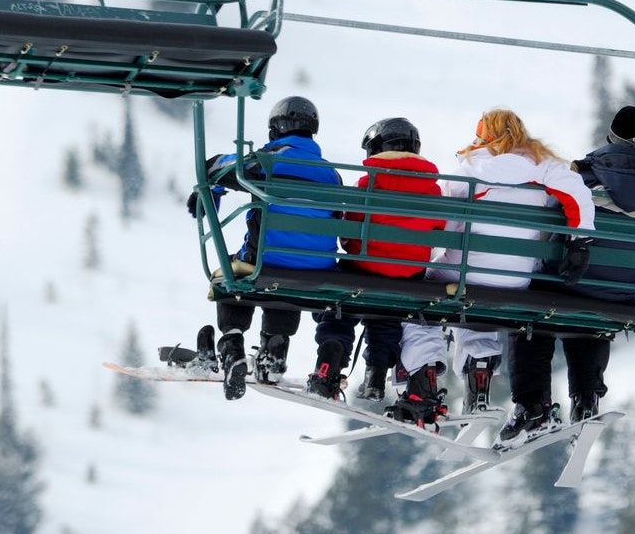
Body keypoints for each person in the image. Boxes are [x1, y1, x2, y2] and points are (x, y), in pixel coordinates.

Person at [498, 105, 635, 444]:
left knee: (531, 316)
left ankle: (533, 404)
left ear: (610, 137)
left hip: (561, 286)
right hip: (619, 295)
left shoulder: (581, 180)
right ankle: (586, 399)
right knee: (592, 321)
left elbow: (543, 225)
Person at [392, 108, 596, 425]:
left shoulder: (469, 170)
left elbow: (445, 228)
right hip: (516, 279)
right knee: (475, 301)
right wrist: (580, 241)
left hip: (463, 274)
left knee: (421, 295)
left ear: (482, 137)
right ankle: (479, 379)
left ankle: (423, 378)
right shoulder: (545, 167)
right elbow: (578, 194)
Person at [184, 95, 342, 401]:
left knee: (232, 272)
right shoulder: (332, 174)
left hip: (266, 261)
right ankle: (275, 348)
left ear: (276, 128)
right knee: (287, 273)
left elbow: (215, 166)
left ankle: (232, 343)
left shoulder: (268, 160)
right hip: (317, 267)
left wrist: (214, 190)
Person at [306, 117, 445, 400]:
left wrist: (356, 248)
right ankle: (376, 375)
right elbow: (438, 230)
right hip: (408, 276)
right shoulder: (433, 189)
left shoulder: (369, 182)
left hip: (363, 269)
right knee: (388, 315)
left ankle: (330, 357)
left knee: (339, 306)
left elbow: (349, 233)